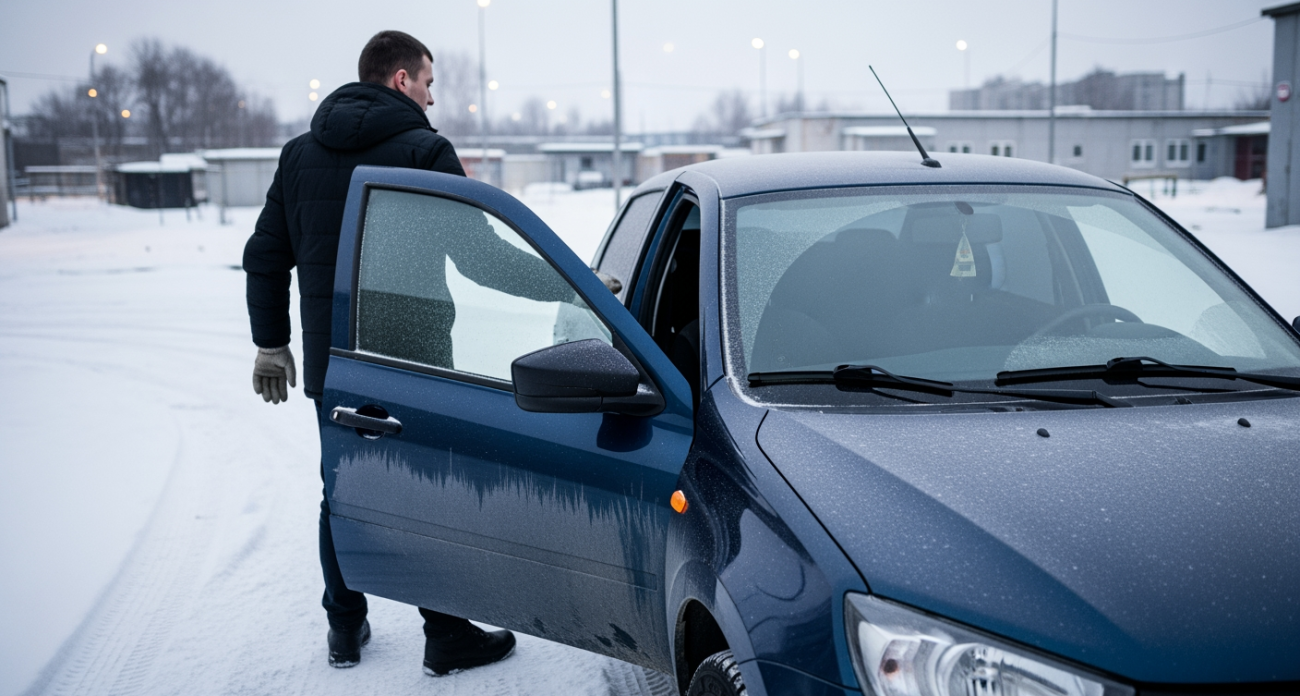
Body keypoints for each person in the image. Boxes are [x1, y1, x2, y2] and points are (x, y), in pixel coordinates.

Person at [241, 30, 517, 676]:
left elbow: (264, 256)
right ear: (401, 81)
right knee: (425, 492)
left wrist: (270, 343)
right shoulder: (425, 150)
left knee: (340, 488)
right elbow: (478, 257)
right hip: (413, 360)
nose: (431, 96)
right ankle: (445, 634)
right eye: (428, 82)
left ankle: (344, 628)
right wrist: (574, 287)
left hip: (335, 363)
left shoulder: (298, 154)